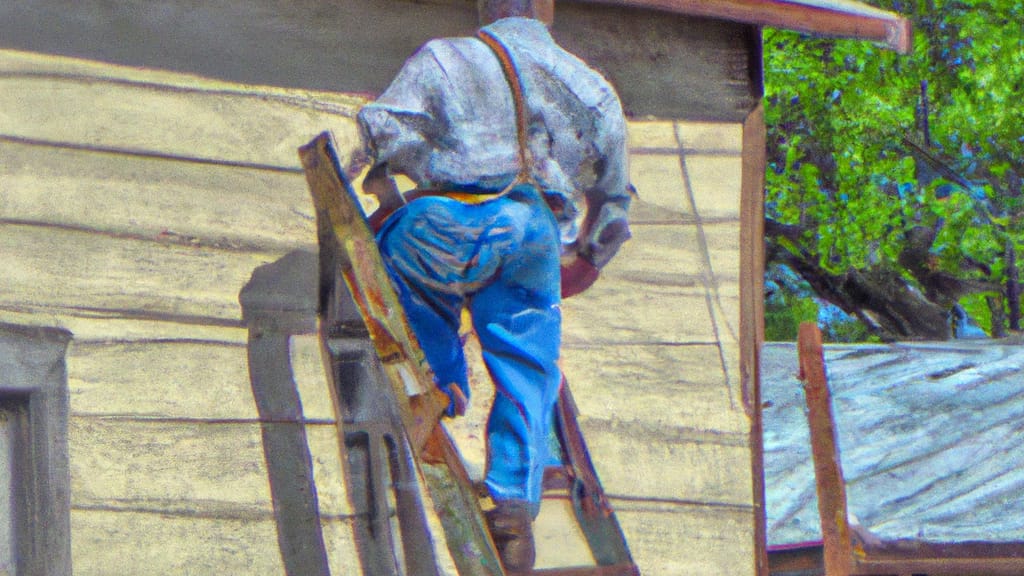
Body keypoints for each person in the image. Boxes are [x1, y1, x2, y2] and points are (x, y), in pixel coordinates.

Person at [347, 5, 632, 571]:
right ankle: (512, 504)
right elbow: (612, 204)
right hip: (533, 231)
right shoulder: (591, 85)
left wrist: (397, 170)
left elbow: (378, 131)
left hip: (447, 217)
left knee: (409, 273)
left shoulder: (445, 56)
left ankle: (441, 387)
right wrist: (588, 259)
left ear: (487, 8)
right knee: (528, 363)